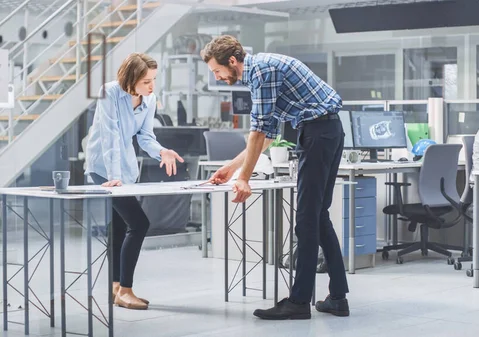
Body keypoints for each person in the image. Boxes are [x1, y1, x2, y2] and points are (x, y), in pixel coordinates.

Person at [202, 35, 350, 320]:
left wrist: (244, 178)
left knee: (307, 220)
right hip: (328, 132)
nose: (218, 77)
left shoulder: (261, 73)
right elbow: (268, 136)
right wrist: (232, 169)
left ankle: (298, 302)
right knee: (318, 217)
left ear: (232, 61)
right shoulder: (264, 68)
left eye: (216, 71)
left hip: (318, 134)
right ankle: (337, 298)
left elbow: (258, 132)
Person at [85, 53, 184, 310]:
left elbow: (144, 136)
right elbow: (110, 137)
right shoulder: (109, 93)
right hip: (103, 168)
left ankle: (116, 288)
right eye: (146, 81)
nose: (152, 87)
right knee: (139, 223)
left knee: (120, 226)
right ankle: (126, 289)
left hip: (125, 171)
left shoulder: (148, 99)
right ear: (131, 79)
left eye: (153, 80)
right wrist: (114, 177)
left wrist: (162, 151)